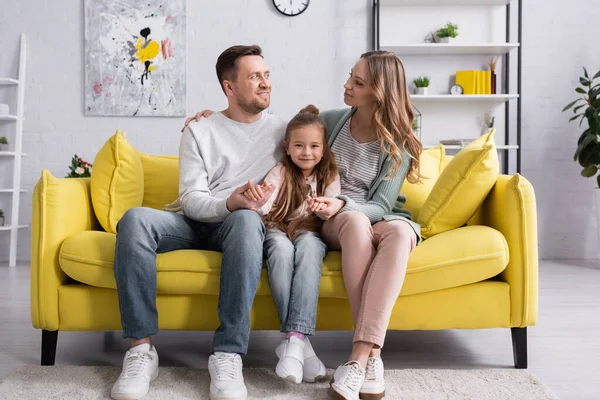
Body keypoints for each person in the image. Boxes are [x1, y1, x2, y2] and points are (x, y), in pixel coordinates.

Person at [183, 50, 422, 400]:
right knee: (354, 224)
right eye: (350, 77)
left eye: (357, 82)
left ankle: (364, 359)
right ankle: (364, 358)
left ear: (379, 92)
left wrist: (344, 202)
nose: (346, 85)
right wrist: (212, 118)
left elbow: (384, 205)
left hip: (371, 211)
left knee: (401, 232)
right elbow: (290, 129)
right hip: (333, 218)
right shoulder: (333, 120)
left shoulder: (400, 135)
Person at [110, 44, 287, 400]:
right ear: (229, 87)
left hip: (238, 227)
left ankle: (228, 354)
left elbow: (330, 124)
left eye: (267, 75)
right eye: (255, 76)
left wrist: (238, 206)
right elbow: (191, 198)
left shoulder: (286, 133)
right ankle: (141, 350)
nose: (266, 83)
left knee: (246, 220)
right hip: (192, 221)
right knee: (134, 220)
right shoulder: (200, 130)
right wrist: (228, 201)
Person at [252, 105, 340, 384]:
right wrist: (261, 199)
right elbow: (265, 206)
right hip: (278, 227)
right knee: (279, 250)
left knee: (310, 248)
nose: (307, 152)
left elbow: (334, 206)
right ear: (287, 147)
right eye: (299, 145)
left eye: (314, 146)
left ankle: (293, 342)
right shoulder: (280, 171)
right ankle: (299, 343)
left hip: (311, 231)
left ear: (324, 148)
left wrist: (324, 208)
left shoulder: (329, 175)